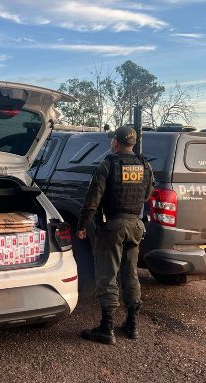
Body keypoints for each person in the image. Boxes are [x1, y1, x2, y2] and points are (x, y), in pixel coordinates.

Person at [77, 126, 154, 344]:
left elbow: (93, 198)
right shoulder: (145, 165)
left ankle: (107, 327)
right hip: (136, 226)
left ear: (116, 143)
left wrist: (82, 224)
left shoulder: (108, 164)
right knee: (131, 275)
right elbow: (148, 194)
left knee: (107, 275)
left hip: (113, 227)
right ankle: (131, 325)